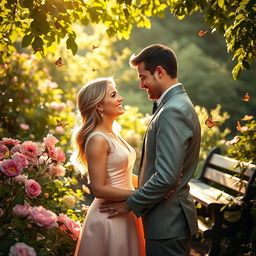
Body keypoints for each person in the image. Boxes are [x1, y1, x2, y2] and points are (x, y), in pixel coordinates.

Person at [99, 44, 201, 256]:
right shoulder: (174, 104)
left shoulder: (172, 110)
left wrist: (131, 203)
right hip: (167, 221)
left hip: (167, 224)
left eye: (143, 77)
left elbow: (166, 177)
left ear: (160, 72)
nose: (141, 84)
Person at [73, 77, 145, 256]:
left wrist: (155, 185)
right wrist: (141, 195)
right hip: (109, 218)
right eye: (113, 95)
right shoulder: (98, 139)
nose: (120, 98)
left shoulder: (113, 134)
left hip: (125, 212)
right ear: (99, 105)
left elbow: (125, 175)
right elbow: (98, 189)